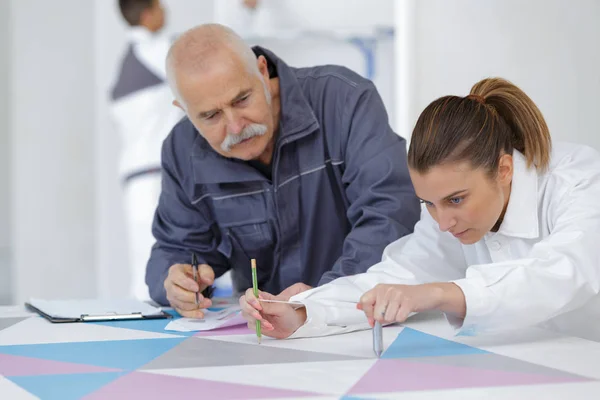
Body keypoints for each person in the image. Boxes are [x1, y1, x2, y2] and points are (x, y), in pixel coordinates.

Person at [241, 77, 600, 341]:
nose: (442, 223)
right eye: (428, 203)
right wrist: (303, 311)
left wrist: (441, 292)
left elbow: (562, 271)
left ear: (504, 170)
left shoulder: (580, 181)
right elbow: (396, 277)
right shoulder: (448, 217)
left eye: (456, 200)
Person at [146, 24, 421, 317]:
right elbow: (175, 249)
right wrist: (177, 283)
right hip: (264, 335)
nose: (236, 127)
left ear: (263, 71)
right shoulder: (181, 150)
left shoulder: (344, 101)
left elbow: (389, 214)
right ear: (184, 109)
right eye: (211, 115)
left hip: (362, 316)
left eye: (242, 99)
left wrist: (318, 303)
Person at [110, 0, 184, 300]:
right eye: (160, 5)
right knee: (155, 268)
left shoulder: (129, 60)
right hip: (154, 174)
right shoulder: (157, 51)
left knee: (146, 263)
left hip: (139, 176)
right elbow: (217, 54)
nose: (166, 9)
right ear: (147, 13)